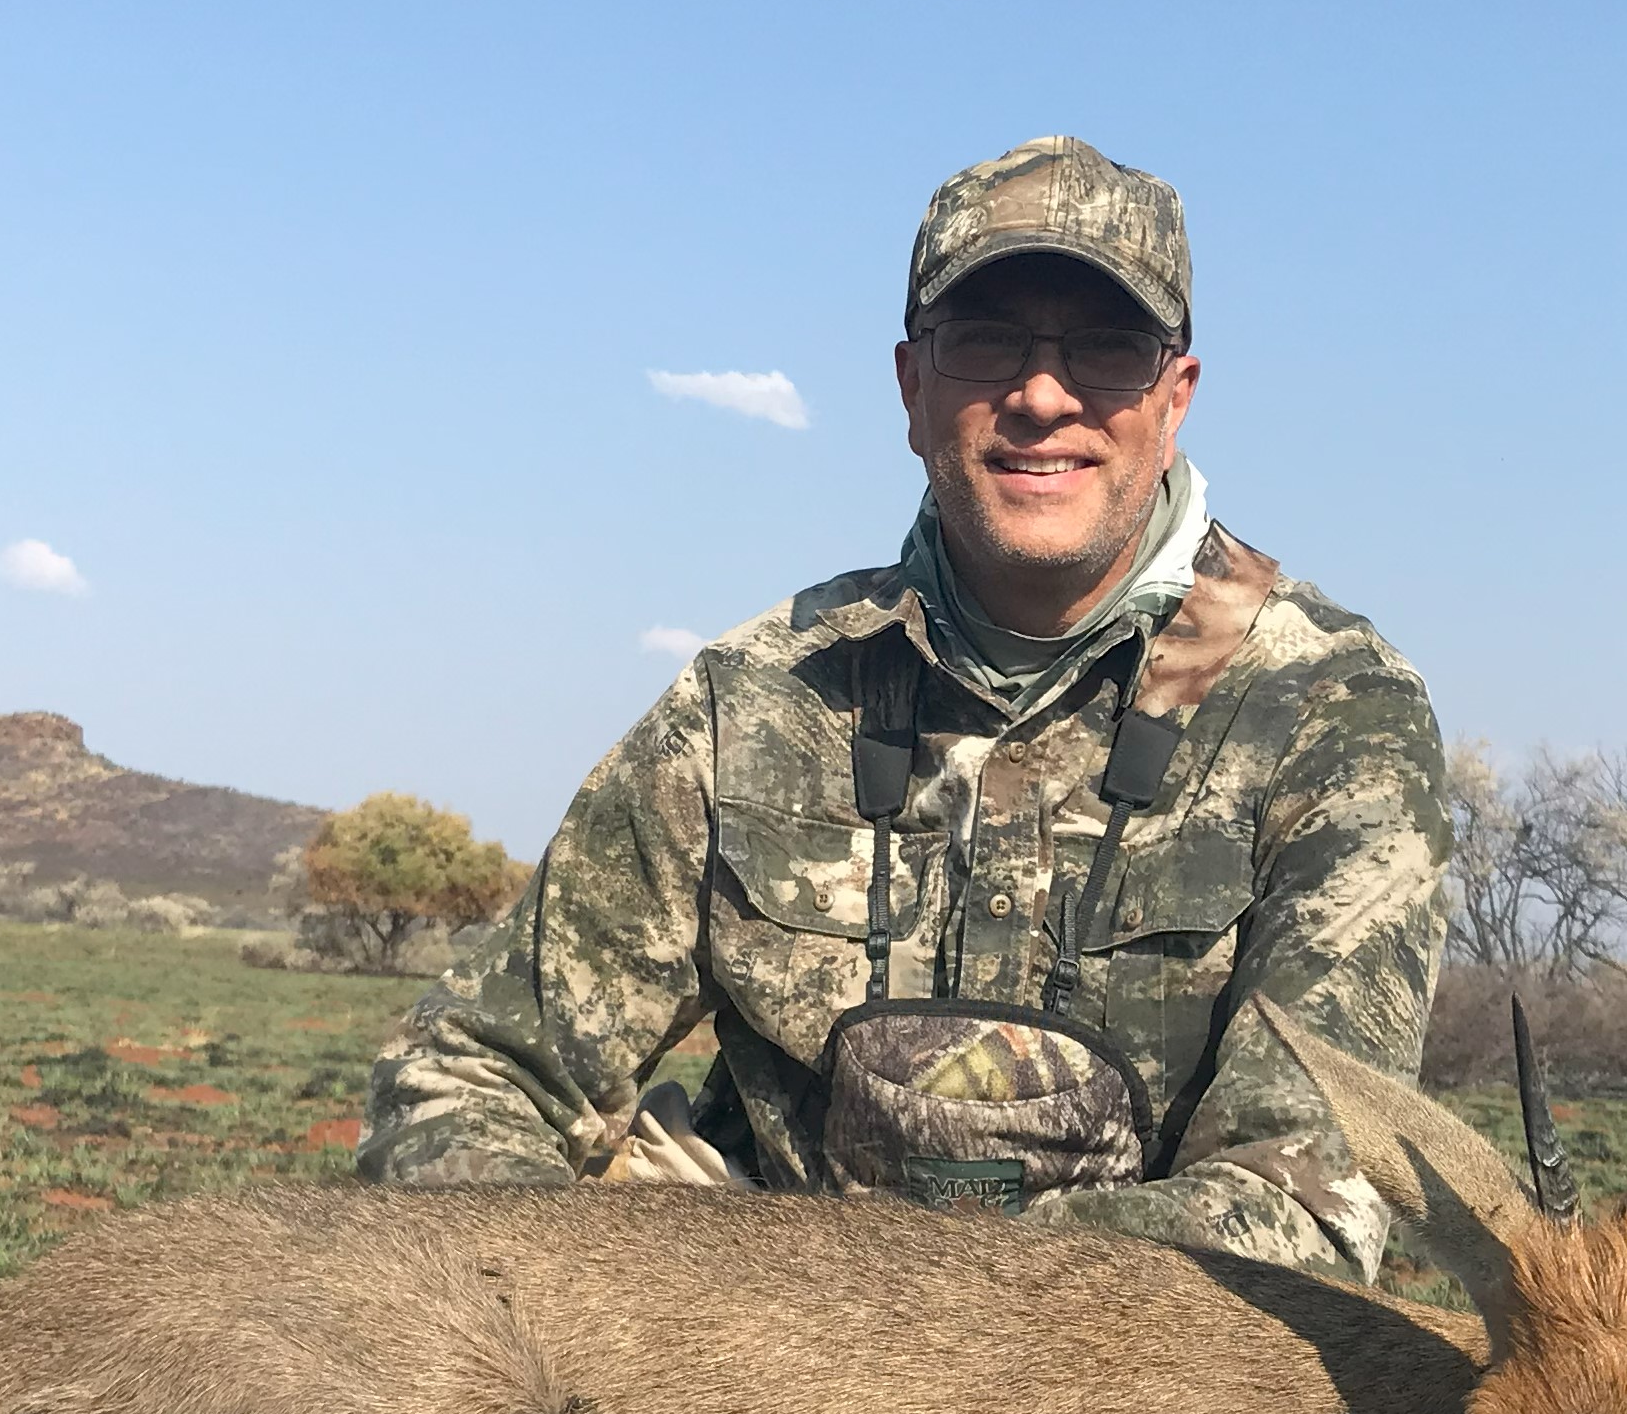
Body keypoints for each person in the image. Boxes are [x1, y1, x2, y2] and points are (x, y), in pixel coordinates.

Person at [360, 135, 1449, 1276]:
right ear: (912, 388)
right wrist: (612, 1326)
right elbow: (474, 1074)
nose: (1041, 395)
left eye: (1107, 349)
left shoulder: (1335, 716)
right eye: (985, 342)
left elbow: (1304, 1212)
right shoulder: (754, 701)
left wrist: (869, 1311)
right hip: (739, 1383)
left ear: (1172, 399)